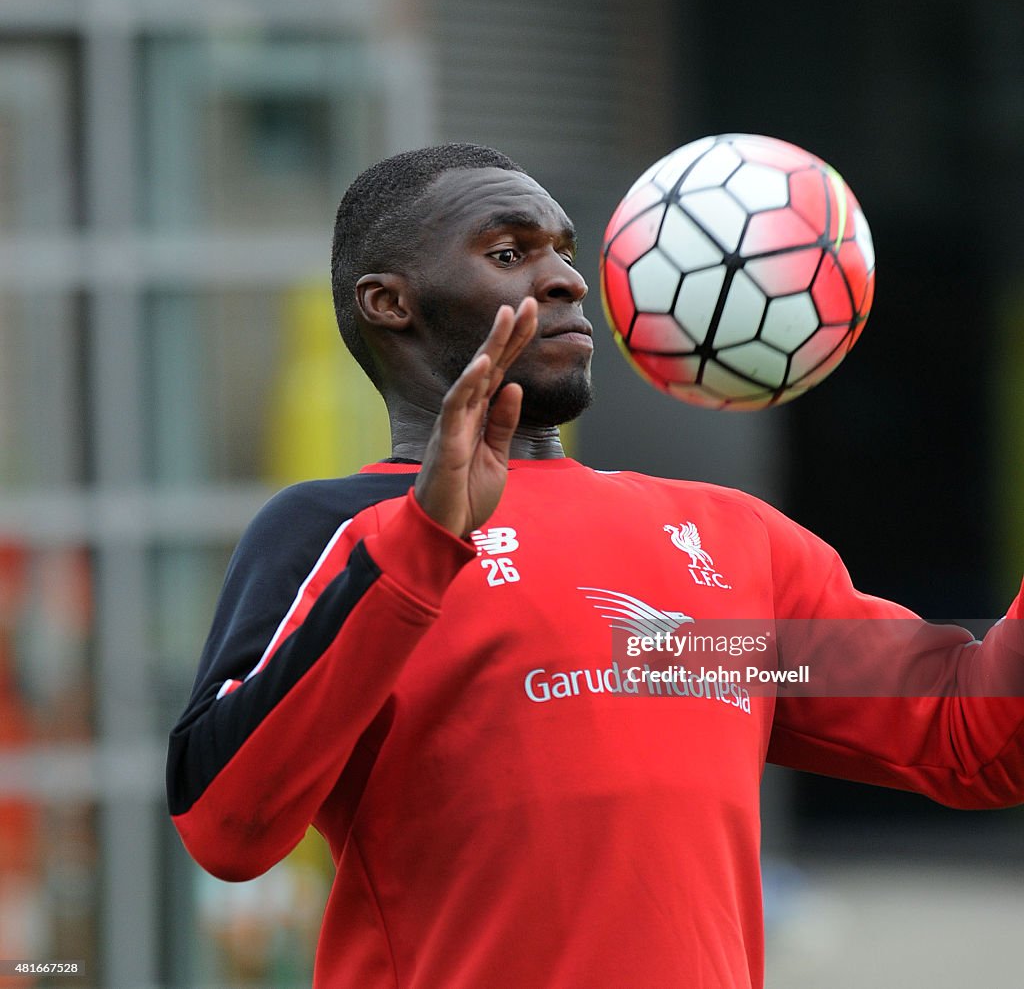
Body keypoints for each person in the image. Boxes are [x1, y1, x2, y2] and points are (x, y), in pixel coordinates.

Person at [166, 143, 1024, 989]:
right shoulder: (336, 528)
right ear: (392, 303)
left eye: (565, 252)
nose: (569, 280)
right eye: (510, 253)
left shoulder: (724, 539)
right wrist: (425, 544)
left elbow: (976, 734)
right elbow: (226, 827)